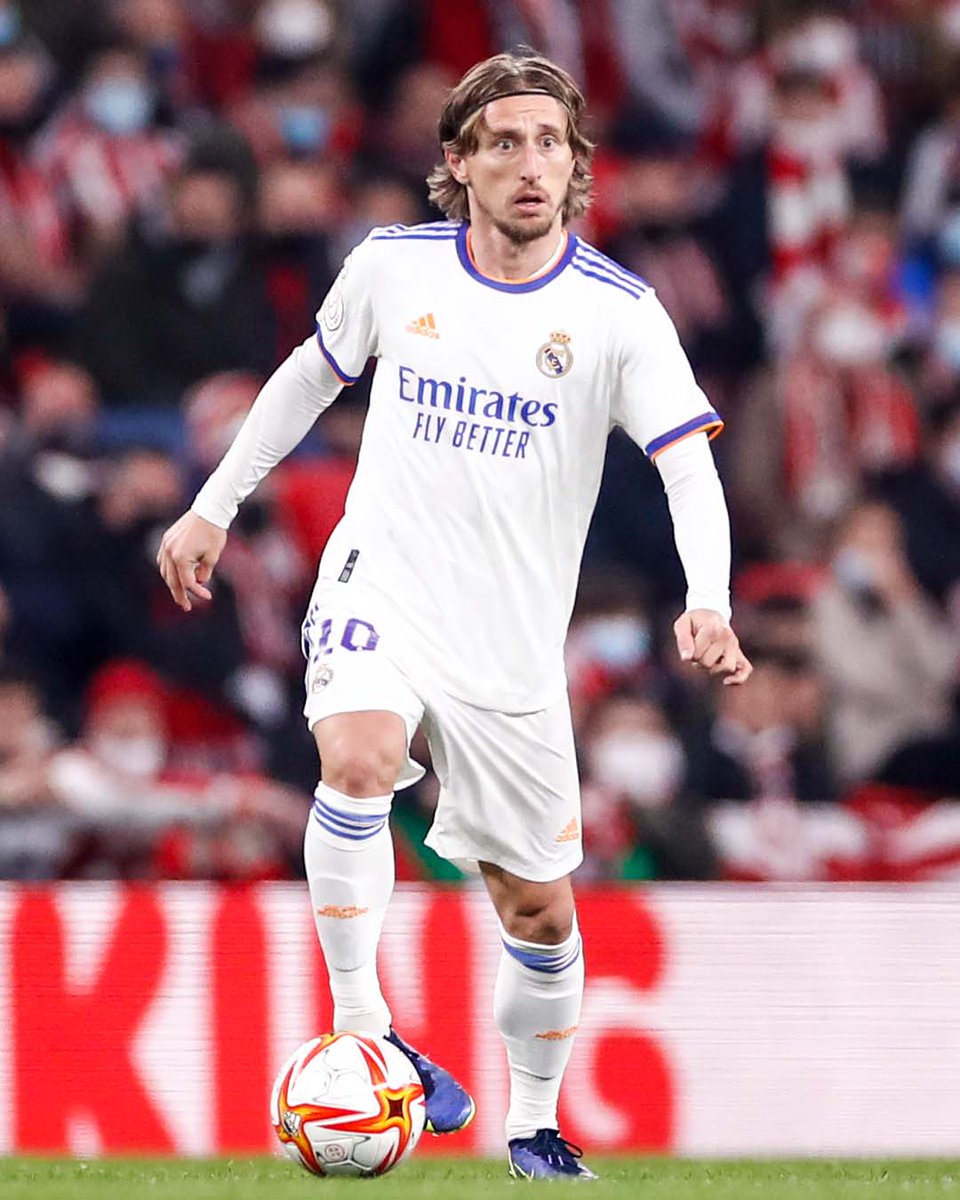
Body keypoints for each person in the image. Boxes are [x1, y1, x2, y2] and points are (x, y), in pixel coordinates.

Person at [157, 51, 751, 1180]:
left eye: (550, 143)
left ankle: (533, 1122)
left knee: (539, 913)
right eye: (505, 142)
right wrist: (211, 507)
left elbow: (687, 468)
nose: (531, 164)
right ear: (459, 162)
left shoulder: (620, 313)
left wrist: (709, 601)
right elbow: (306, 379)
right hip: (382, 580)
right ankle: (366, 1028)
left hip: (511, 645)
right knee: (359, 758)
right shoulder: (393, 266)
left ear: (575, 165)